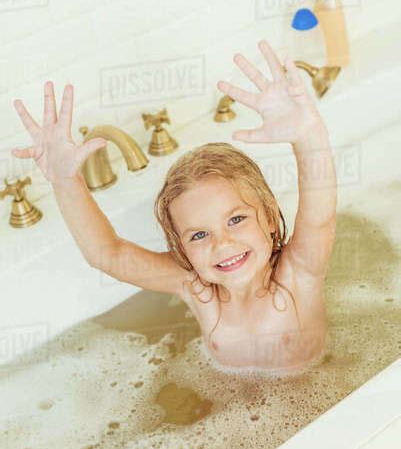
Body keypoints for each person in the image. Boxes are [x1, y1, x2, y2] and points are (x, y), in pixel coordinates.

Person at [11, 39, 337, 376]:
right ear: (180, 246)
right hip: (234, 409)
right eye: (198, 235)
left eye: (236, 219)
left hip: (314, 392)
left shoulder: (298, 275)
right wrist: (65, 181)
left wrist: (308, 136)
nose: (221, 243)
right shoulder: (194, 287)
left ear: (269, 217)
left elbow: (319, 217)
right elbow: (107, 254)